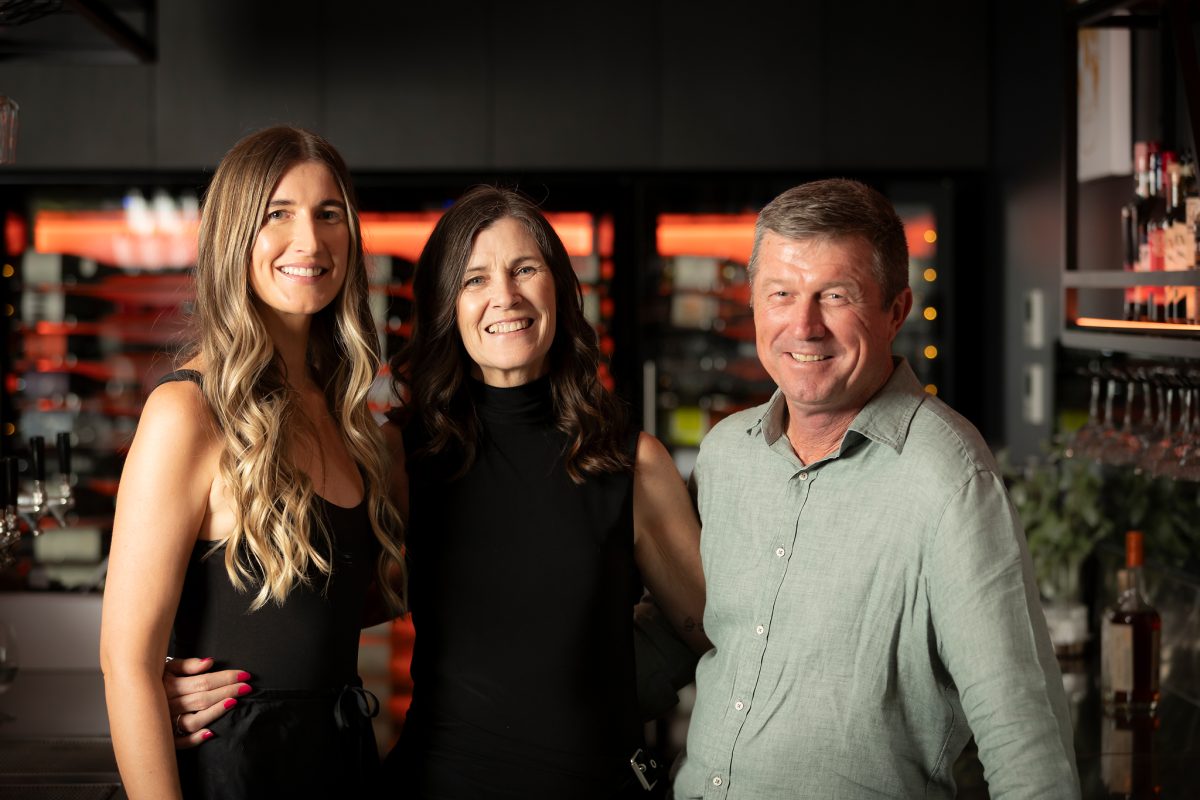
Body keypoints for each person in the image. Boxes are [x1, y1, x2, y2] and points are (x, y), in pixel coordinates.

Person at [164, 185, 709, 798]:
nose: (505, 296)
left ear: (559, 286)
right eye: (474, 280)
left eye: (524, 269)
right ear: (447, 306)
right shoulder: (402, 454)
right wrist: (176, 678)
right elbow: (319, 604)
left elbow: (718, 632)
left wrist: (614, 692)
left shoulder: (630, 462)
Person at [672, 178, 1080, 799]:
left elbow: (1023, 734)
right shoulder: (725, 456)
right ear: (754, 304)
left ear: (896, 311)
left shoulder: (948, 477)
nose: (804, 326)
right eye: (781, 294)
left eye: (836, 295)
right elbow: (688, 631)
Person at [99, 126, 405, 800]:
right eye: (278, 215)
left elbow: (334, 604)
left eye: (330, 215)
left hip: (339, 764)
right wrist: (159, 685)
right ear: (234, 235)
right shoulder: (187, 413)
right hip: (230, 775)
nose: (311, 241)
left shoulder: (352, 420)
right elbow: (125, 662)